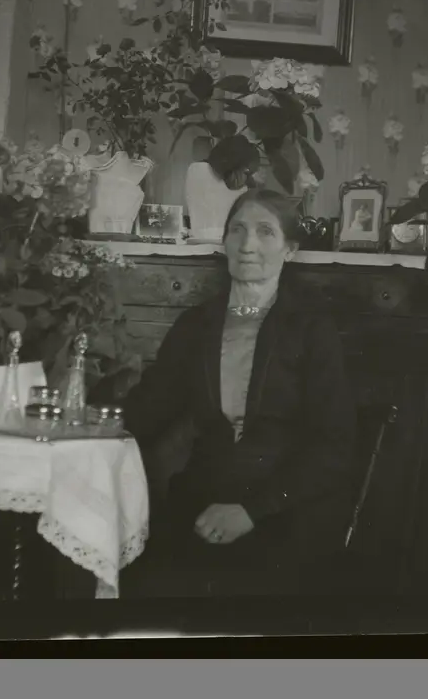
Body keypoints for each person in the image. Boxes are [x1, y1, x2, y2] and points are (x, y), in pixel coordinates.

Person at [120, 189, 357, 597]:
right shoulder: (196, 326)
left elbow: (334, 446)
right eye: (238, 230)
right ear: (225, 241)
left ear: (290, 249)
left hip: (286, 509)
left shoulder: (311, 329)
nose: (248, 244)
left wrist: (252, 510)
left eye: (265, 232)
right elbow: (147, 411)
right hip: (202, 502)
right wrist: (83, 418)